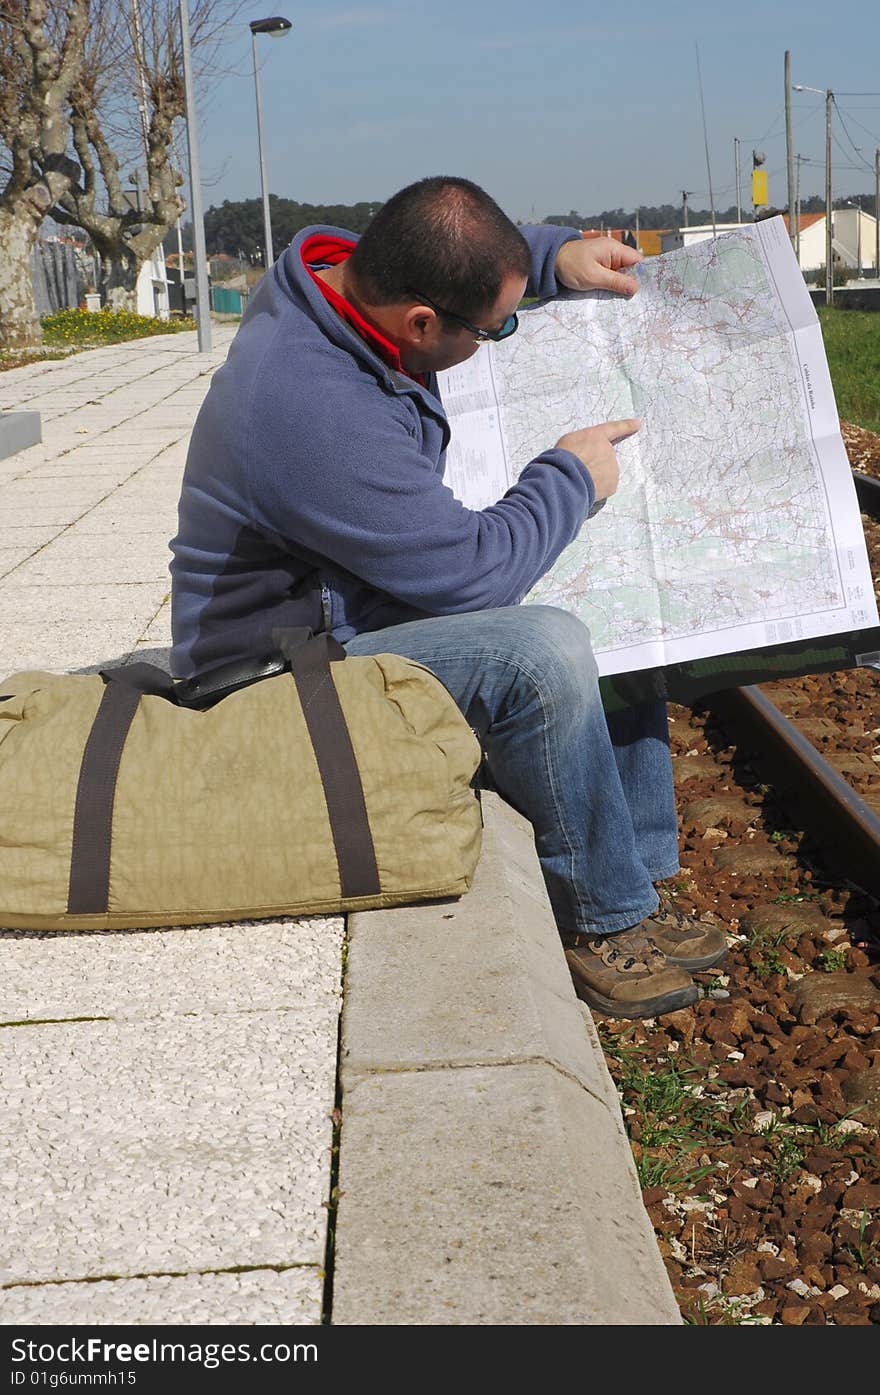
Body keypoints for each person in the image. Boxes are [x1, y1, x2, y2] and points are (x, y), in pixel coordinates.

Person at [170, 175, 727, 1019]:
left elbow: (459, 243)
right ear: (423, 324)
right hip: (272, 671)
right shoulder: (307, 404)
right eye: (495, 328)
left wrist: (553, 258)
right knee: (542, 651)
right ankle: (602, 918)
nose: (503, 334)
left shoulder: (347, 276)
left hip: (341, 605)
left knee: (604, 596)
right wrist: (567, 477)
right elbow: (472, 576)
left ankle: (637, 875)